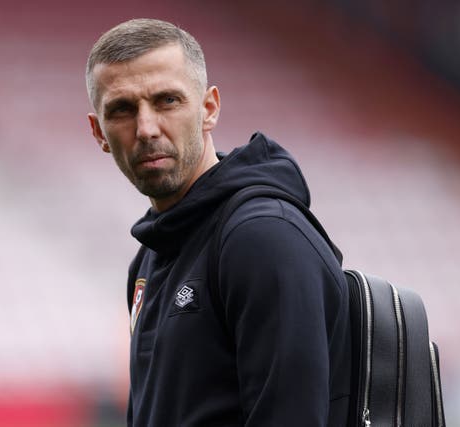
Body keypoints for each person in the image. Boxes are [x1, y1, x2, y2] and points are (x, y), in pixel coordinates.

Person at [86, 18, 351, 426]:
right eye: (122, 110)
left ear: (209, 109)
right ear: (98, 132)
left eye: (167, 101)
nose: (146, 128)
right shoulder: (150, 259)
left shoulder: (262, 236)